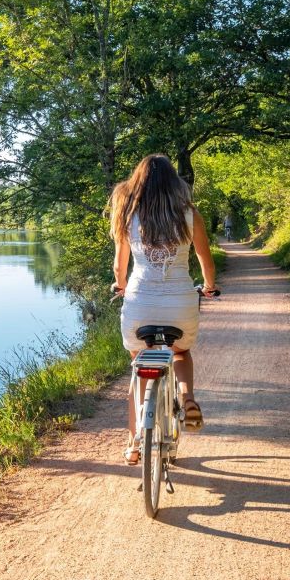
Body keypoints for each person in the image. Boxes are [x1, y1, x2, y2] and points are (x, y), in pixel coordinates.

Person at [109, 154, 218, 465]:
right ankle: (187, 398)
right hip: (180, 303)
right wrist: (209, 287)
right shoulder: (189, 214)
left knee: (137, 364)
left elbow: (120, 266)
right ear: (174, 183)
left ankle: (133, 444)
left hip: (139, 301)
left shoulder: (128, 215)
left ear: (138, 183)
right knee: (180, 352)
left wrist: (120, 285)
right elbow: (205, 261)